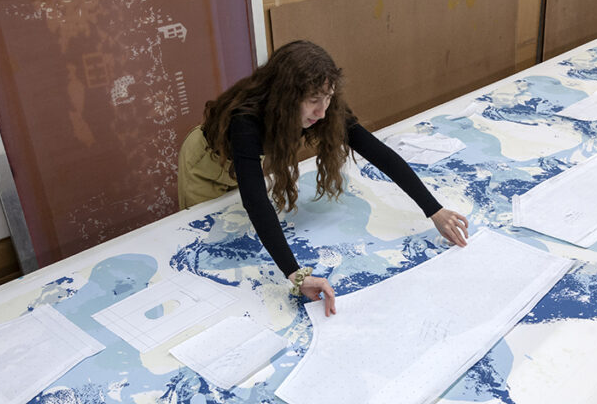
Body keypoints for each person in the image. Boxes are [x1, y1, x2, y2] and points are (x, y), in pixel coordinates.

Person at [177, 40, 469, 316]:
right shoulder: (246, 122)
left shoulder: (322, 109)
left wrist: (434, 210)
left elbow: (377, 152)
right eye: (313, 101)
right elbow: (255, 201)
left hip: (248, 162)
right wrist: (297, 275)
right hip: (209, 166)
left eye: (328, 98)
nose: (322, 111)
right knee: (209, 243)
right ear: (285, 98)